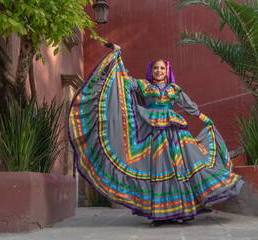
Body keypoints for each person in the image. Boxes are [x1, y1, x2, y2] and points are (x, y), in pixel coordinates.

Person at [68, 43, 244, 227]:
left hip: (175, 134)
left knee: (181, 170)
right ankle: (160, 214)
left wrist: (205, 119)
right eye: (156, 68)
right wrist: (117, 56)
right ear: (150, 71)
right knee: (158, 170)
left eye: (162, 68)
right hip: (152, 132)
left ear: (167, 71)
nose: (159, 71)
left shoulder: (174, 90)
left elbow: (189, 106)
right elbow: (124, 81)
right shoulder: (143, 85)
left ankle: (182, 211)